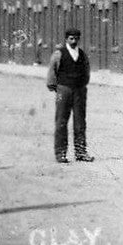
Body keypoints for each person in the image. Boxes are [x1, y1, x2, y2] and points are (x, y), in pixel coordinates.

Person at [45, 28, 93, 164]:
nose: (74, 41)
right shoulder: (59, 54)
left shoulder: (82, 54)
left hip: (79, 90)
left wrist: (82, 84)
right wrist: (55, 87)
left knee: (80, 122)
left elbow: (87, 71)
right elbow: (52, 72)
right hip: (64, 89)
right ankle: (60, 153)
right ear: (66, 39)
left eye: (76, 38)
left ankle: (81, 152)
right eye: (71, 38)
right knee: (61, 122)